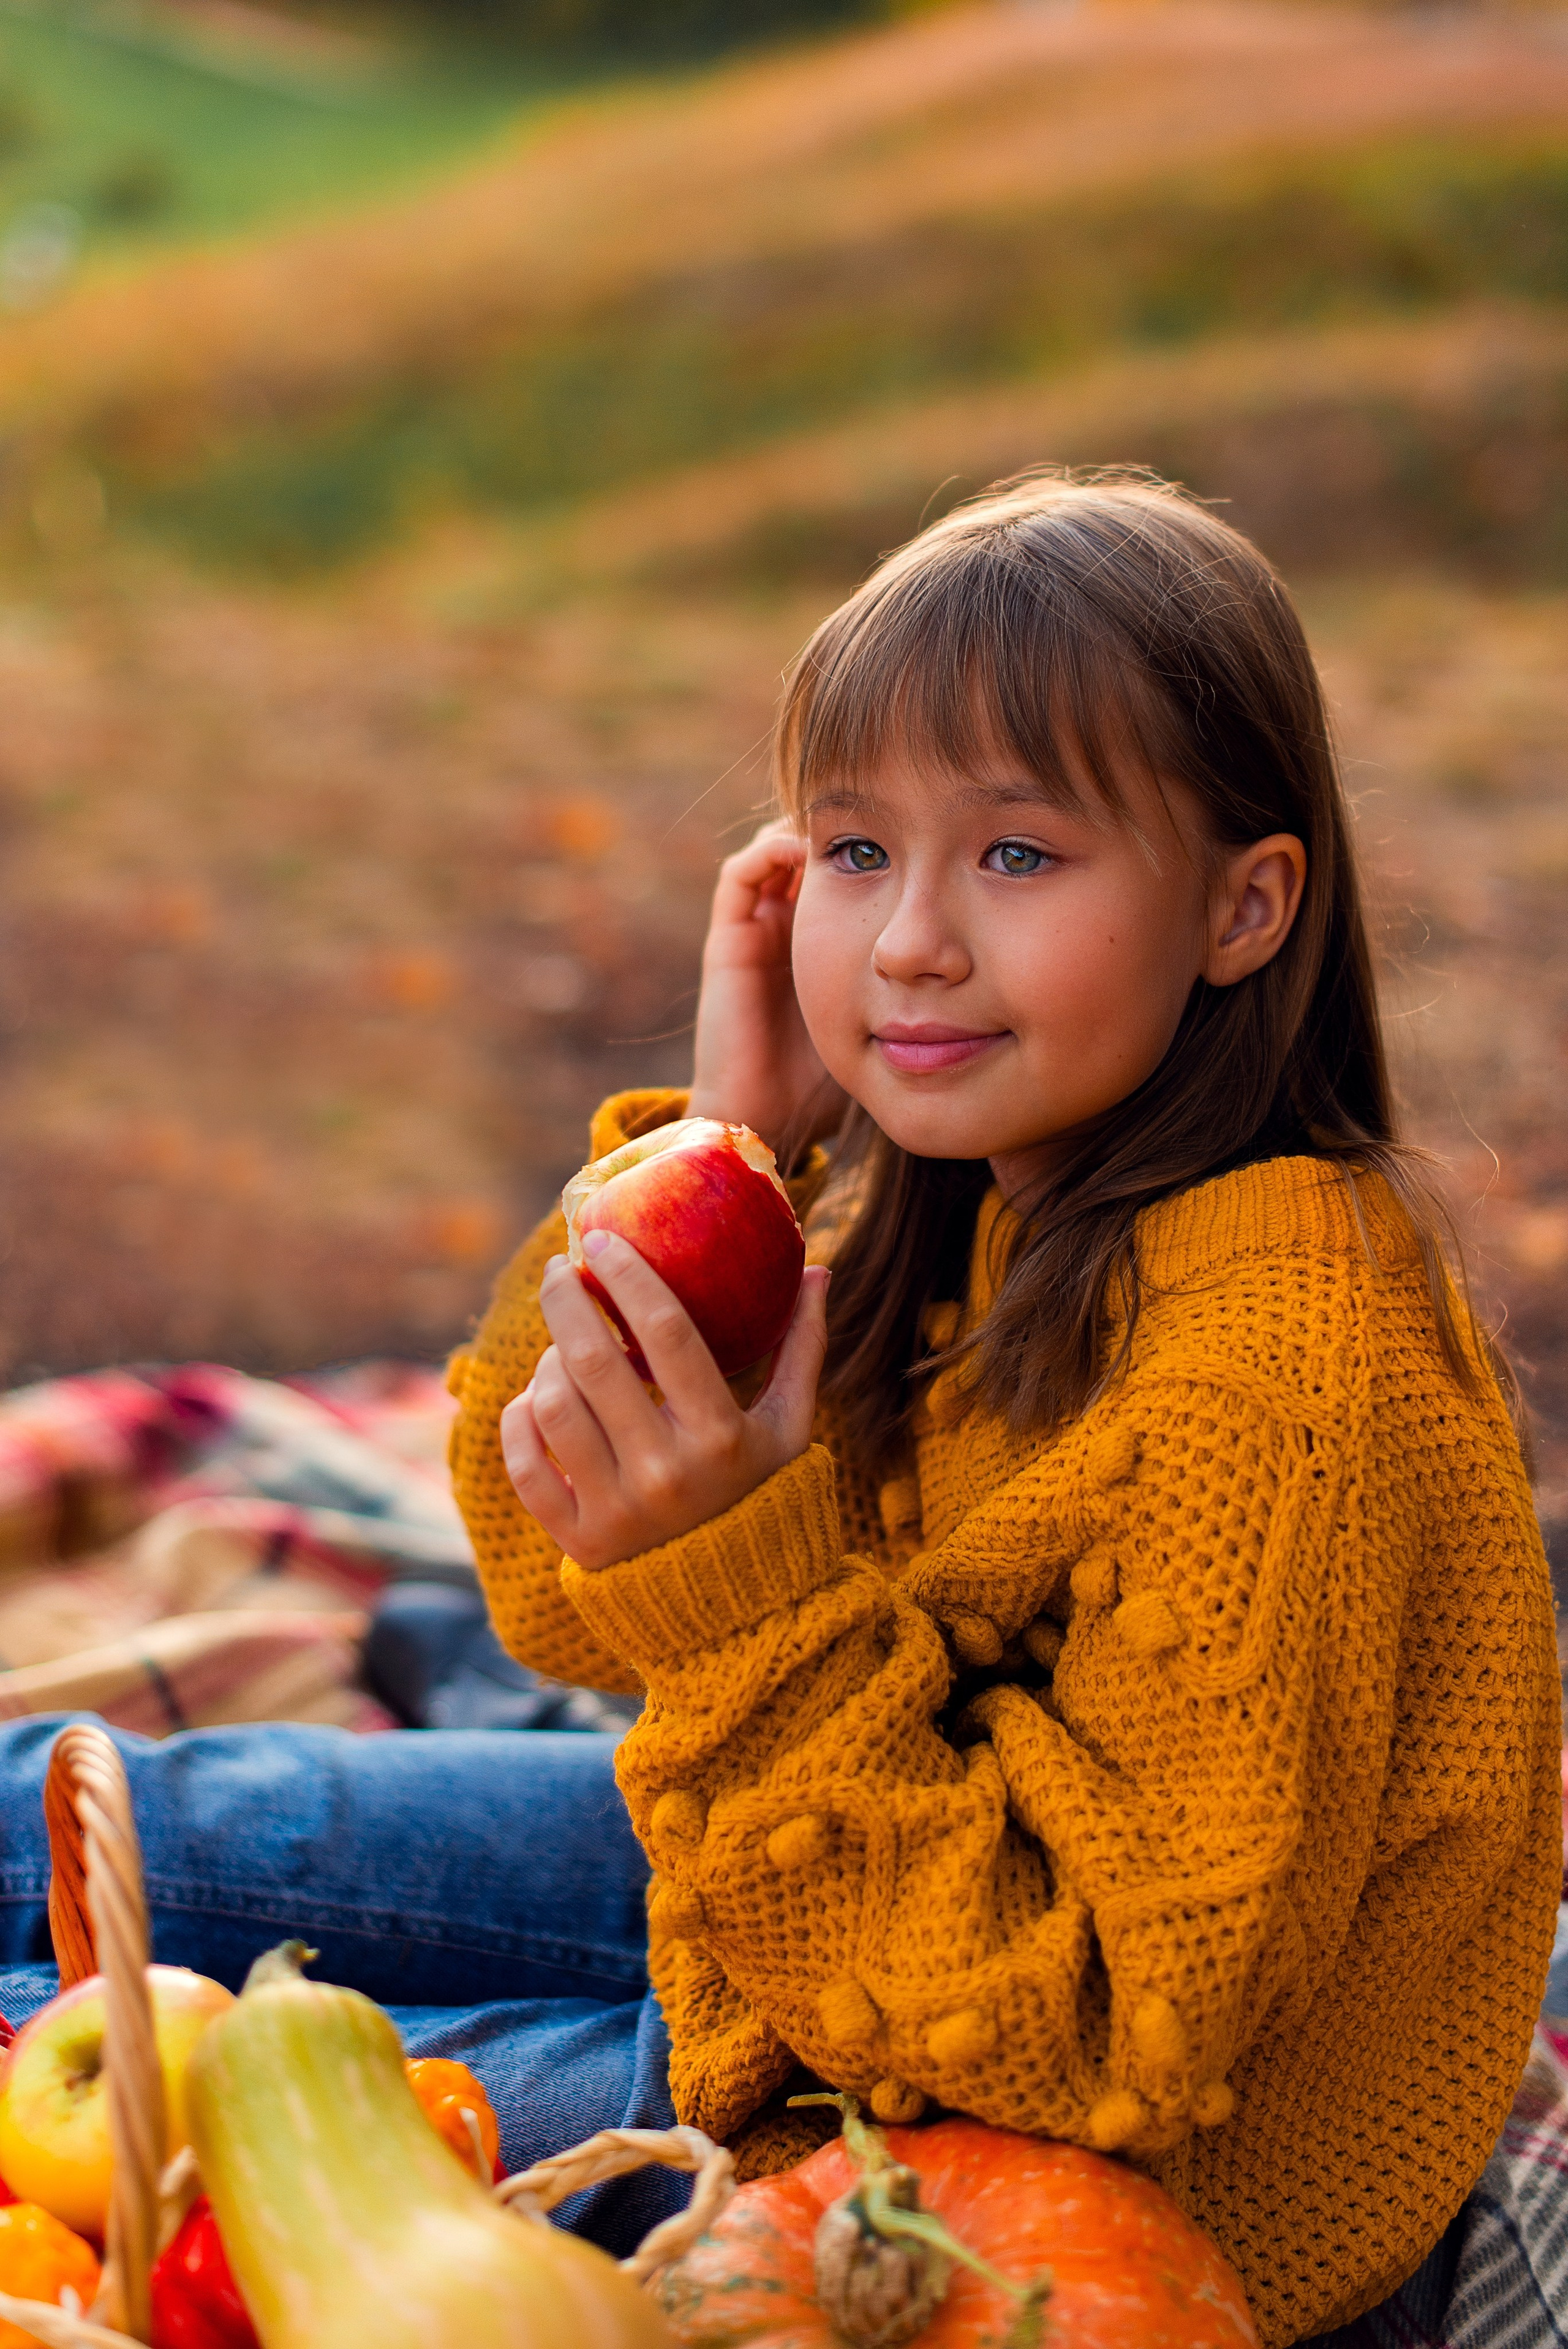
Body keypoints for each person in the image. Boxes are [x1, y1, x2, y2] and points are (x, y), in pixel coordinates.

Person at [446, 473, 1562, 2345]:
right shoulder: (978, 1208)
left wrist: (740, 1588)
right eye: (858, 850)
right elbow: (558, 1584)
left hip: (1008, 2179)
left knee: (182, 2045)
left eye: (1018, 857)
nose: (907, 946)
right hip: (827, 1910)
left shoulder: (1279, 1378)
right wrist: (730, 1155)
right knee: (50, 1825)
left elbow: (1091, 2034)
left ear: (1242, 905)